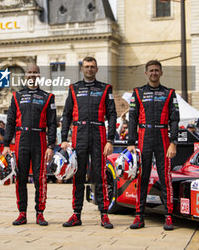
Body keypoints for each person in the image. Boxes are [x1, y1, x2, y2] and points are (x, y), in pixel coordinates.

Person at [61, 56, 117, 229]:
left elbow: (112, 115)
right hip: (79, 134)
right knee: (78, 175)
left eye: (92, 66)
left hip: (99, 133)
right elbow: (67, 115)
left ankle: (104, 215)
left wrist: (110, 139)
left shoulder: (105, 88)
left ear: (97, 69)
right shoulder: (74, 88)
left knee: (99, 175)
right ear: (82, 69)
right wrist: (63, 139)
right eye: (86, 66)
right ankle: (76, 214)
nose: (89, 69)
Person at [127, 60, 179, 231]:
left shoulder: (170, 93)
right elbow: (132, 118)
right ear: (146, 73)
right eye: (151, 70)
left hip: (163, 137)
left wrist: (173, 142)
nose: (154, 73)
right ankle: (139, 216)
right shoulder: (138, 92)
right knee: (142, 177)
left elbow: (174, 120)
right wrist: (131, 143)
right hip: (143, 137)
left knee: (166, 178)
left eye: (157, 70)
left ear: (161, 73)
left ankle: (169, 216)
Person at [2, 64, 57, 226]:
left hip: (40, 138)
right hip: (21, 138)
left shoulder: (48, 97)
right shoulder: (16, 96)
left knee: (41, 178)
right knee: (21, 177)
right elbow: (10, 122)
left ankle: (40, 213)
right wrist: (6, 144)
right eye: (29, 72)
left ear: (39, 75)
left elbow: (52, 124)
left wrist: (51, 145)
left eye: (35, 72)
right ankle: (22, 213)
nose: (32, 75)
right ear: (25, 75)